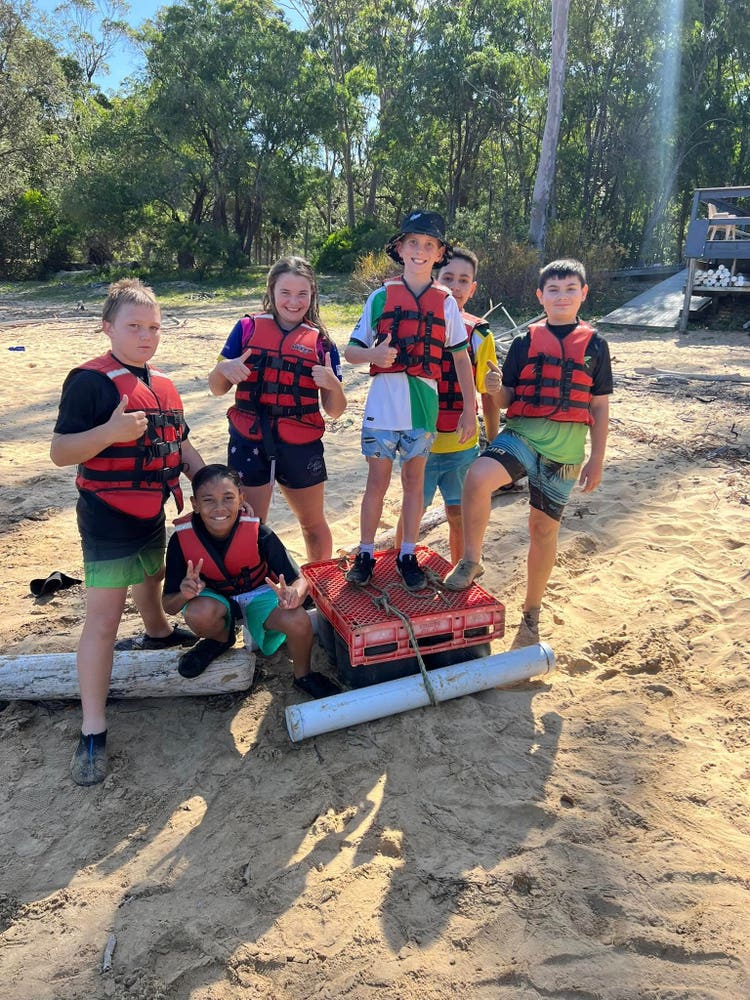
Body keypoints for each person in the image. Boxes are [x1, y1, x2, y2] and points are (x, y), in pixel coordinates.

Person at [50, 278, 205, 786]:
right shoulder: (90, 382)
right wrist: (110, 434)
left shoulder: (160, 382)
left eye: (154, 326)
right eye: (134, 326)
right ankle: (92, 729)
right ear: (108, 327)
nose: (146, 335)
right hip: (106, 514)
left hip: (150, 508)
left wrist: (208, 485)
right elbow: (61, 452)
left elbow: (179, 446)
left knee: (153, 574)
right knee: (103, 621)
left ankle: (159, 633)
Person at [443, 258, 612, 648]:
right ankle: (471, 559)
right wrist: (493, 387)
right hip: (523, 435)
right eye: (553, 290)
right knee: (477, 476)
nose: (562, 296)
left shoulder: (597, 345)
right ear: (541, 296)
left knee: (543, 529)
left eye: (571, 289)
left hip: (567, 452)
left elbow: (600, 406)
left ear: (583, 294)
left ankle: (531, 612)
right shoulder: (524, 342)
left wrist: (597, 458)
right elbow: (505, 401)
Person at [344, 211, 476, 591]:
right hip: (382, 409)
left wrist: (470, 407)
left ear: (439, 255)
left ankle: (406, 553)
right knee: (376, 484)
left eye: (429, 245)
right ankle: (366, 553)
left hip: (423, 407)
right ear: (400, 248)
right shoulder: (380, 297)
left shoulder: (446, 301)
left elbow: (460, 357)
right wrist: (374, 357)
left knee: (414, 483)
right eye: (413, 243)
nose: (420, 251)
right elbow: (352, 352)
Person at [207, 257, 346, 563]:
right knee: (250, 523)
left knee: (312, 524)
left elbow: (335, 410)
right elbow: (217, 388)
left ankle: (318, 584)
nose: (293, 302)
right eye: (285, 292)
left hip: (300, 442)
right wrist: (224, 369)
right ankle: (254, 591)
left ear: (312, 295)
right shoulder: (246, 329)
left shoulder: (322, 343)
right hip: (250, 438)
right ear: (271, 290)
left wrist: (334, 385)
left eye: (302, 294)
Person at [161, 464, 340, 699]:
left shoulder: (259, 532)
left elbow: (300, 579)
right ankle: (219, 639)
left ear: (241, 498)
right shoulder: (181, 541)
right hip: (215, 599)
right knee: (197, 612)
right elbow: (169, 605)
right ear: (195, 504)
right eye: (209, 500)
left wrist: (295, 594)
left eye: (228, 498)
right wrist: (185, 594)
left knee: (298, 619)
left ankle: (303, 675)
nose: (219, 508)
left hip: (259, 594)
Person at [422, 247, 501, 562]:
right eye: (447, 278)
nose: (455, 286)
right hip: (420, 444)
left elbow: (489, 391)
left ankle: (460, 571)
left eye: (463, 280)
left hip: (461, 444)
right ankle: (402, 570)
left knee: (458, 514)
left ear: (473, 287)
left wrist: (494, 441)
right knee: (411, 516)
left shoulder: (479, 332)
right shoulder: (418, 325)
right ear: (435, 280)